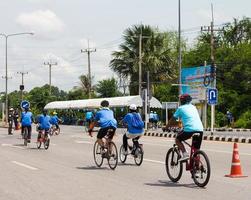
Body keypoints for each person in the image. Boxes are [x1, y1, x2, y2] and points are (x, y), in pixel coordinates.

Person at [167, 94, 203, 162]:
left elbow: (172, 119)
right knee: (196, 149)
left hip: (189, 130)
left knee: (177, 139)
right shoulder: (193, 107)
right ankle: (198, 166)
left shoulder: (181, 108)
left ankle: (185, 154)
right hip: (200, 129)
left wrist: (166, 127)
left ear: (181, 101)